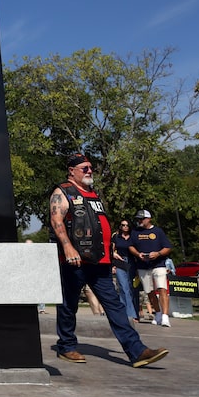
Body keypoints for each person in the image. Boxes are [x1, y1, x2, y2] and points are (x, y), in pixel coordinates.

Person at [49, 153, 168, 367]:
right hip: (75, 260)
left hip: (100, 262)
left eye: (90, 167)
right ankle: (66, 346)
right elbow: (56, 219)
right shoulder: (63, 191)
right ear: (72, 171)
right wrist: (67, 247)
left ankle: (137, 351)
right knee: (69, 305)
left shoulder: (94, 195)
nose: (89, 171)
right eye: (84, 168)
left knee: (115, 306)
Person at [129, 209, 174, 328]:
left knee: (162, 288)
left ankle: (165, 316)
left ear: (149, 219)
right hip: (143, 265)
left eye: (142, 219)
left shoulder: (157, 231)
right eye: (138, 219)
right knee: (149, 291)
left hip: (158, 264)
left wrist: (158, 253)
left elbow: (168, 247)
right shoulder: (135, 232)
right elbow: (131, 246)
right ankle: (158, 313)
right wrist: (138, 254)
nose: (139, 221)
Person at [112, 218, 139, 322]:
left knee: (132, 288)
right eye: (122, 225)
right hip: (120, 261)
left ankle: (133, 312)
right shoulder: (116, 236)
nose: (125, 227)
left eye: (127, 225)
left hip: (132, 262)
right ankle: (129, 314)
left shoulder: (134, 236)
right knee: (123, 287)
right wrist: (113, 256)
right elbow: (112, 249)